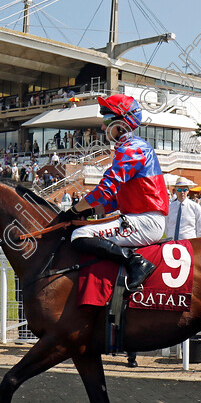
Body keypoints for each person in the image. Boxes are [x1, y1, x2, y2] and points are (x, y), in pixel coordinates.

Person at [64, 94, 169, 291]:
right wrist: (89, 212)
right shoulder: (129, 148)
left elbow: (105, 189)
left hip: (146, 222)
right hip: (140, 218)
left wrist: (74, 211)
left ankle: (136, 263)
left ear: (121, 124)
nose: (103, 127)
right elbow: (115, 201)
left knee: (79, 235)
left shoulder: (133, 149)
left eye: (106, 121)